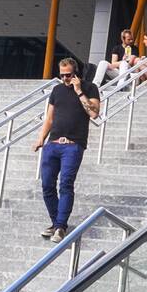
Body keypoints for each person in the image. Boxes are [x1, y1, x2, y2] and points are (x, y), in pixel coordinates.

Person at [32, 58, 101, 243]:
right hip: (52, 144)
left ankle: (61, 226)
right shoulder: (57, 90)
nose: (65, 79)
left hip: (73, 145)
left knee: (66, 184)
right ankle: (56, 224)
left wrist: (79, 91)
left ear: (76, 73)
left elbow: (94, 113)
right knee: (47, 185)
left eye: (68, 75)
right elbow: (49, 118)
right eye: (62, 75)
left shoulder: (90, 88)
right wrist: (41, 138)